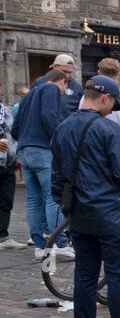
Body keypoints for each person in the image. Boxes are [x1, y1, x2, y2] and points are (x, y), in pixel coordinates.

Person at [50, 75, 120, 318]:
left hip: (80, 216)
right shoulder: (110, 131)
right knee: (116, 277)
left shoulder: (62, 129)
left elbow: (57, 178)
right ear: (106, 98)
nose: (113, 110)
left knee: (85, 276)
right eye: (113, 104)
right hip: (112, 214)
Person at [14, 65, 72, 256]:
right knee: (52, 196)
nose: (63, 92)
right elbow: (49, 116)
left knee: (33, 200)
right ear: (61, 81)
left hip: (24, 150)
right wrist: (59, 141)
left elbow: (15, 127)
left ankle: (40, 246)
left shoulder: (29, 94)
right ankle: (60, 244)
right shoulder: (51, 88)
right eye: (65, 87)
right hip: (42, 149)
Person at [0, 90, 18, 250]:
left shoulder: (5, 110)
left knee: (6, 200)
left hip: (8, 162)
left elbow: (14, 131)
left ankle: (3, 237)